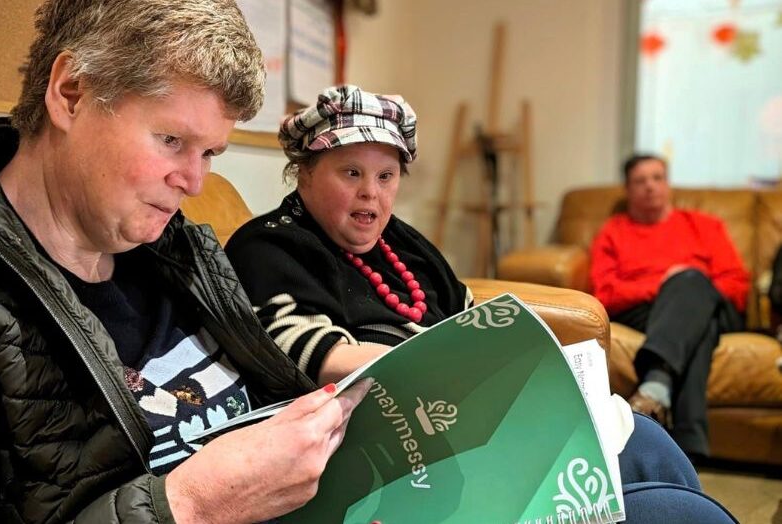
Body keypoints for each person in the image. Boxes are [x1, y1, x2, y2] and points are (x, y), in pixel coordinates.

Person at [225, 85, 738, 522]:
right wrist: (451, 368)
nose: (372, 196)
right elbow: (316, 357)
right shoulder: (268, 246)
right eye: (351, 173)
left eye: (386, 177)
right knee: (678, 511)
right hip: (399, 449)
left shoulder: (403, 243)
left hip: (467, 414)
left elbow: (471, 317)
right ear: (305, 171)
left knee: (646, 443)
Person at [0, 2, 374, 523]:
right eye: (171, 140)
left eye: (210, 153)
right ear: (71, 94)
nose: (194, 183)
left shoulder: (180, 253)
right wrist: (194, 505)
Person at [589, 153, 750, 459]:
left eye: (657, 178)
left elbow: (736, 285)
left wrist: (687, 286)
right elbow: (605, 292)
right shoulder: (614, 231)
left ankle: (654, 385)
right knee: (700, 326)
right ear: (627, 189)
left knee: (691, 282)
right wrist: (663, 285)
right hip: (647, 311)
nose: (650, 186)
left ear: (668, 184)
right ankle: (691, 446)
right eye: (640, 181)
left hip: (711, 304)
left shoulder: (704, 225)